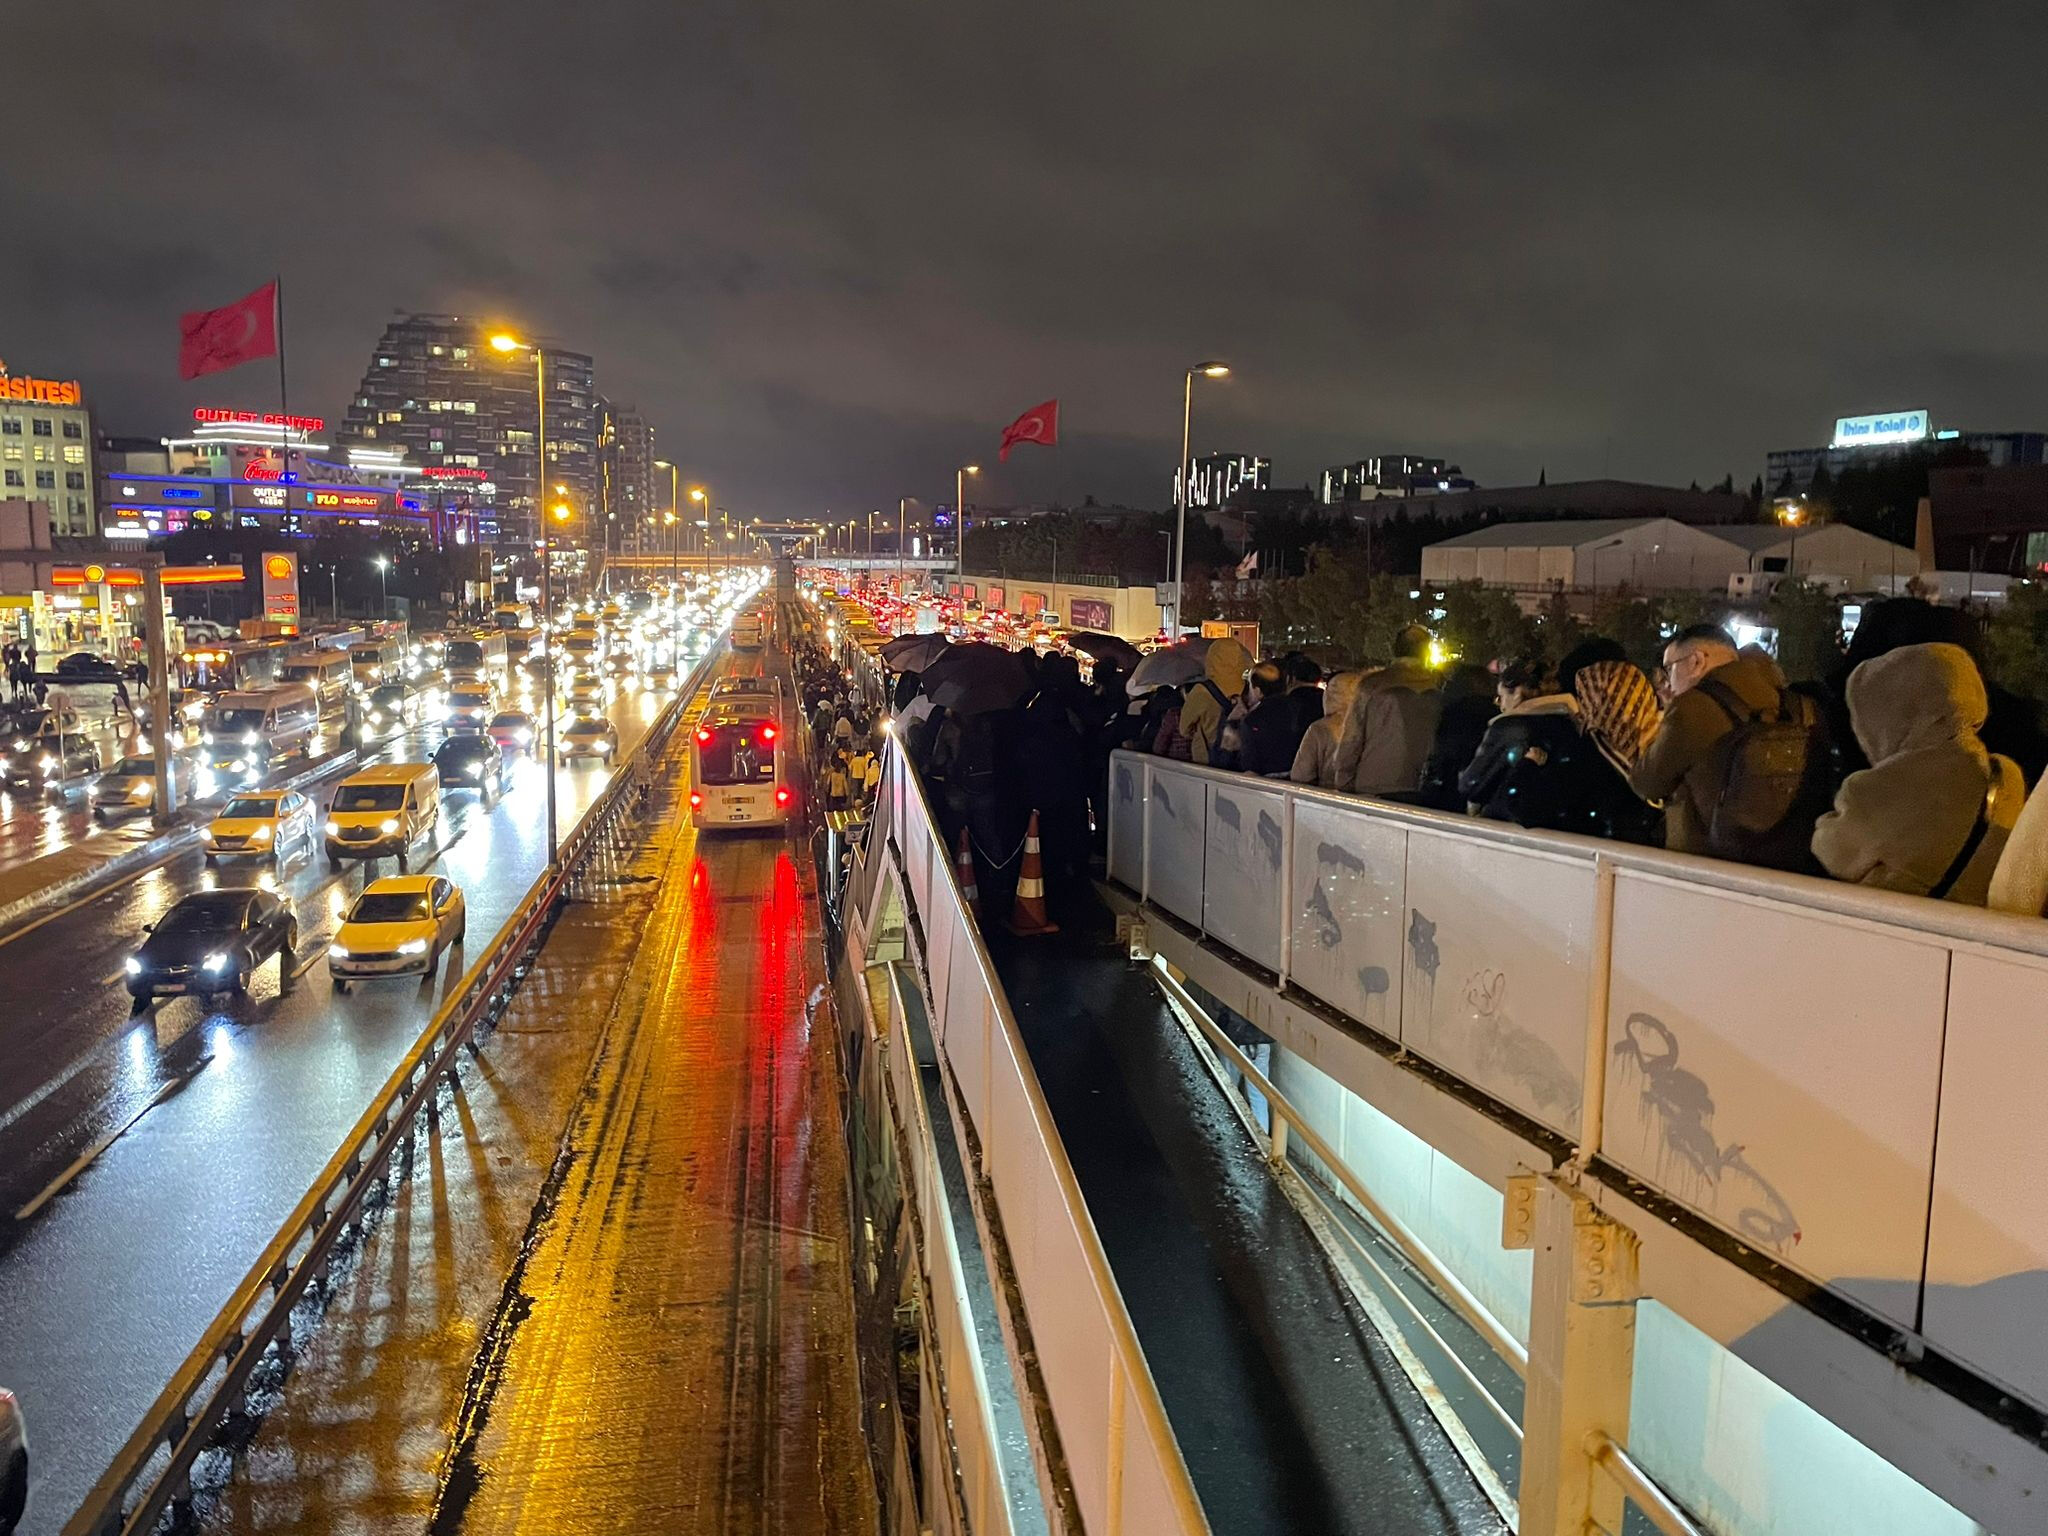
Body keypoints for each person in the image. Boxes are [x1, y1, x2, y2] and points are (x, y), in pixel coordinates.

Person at [1812, 643, 2023, 904]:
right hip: (1983, 931)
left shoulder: (1875, 793)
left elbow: (1832, 852)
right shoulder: (2004, 774)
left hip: (1903, 935)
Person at [1629, 623, 1832, 869]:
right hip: (1792, 864)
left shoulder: (1693, 707)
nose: (1669, 682)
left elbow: (1647, 783)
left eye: (1669, 668)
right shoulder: (1802, 707)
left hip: (1710, 865)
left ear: (1696, 661)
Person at [1332, 624, 1442, 797]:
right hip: (1423, 786)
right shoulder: (1437, 687)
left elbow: (1352, 738)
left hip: (1375, 783)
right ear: (1427, 652)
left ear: (1394, 649)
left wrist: (1343, 780)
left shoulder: (1371, 685)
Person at [1410, 663, 1497, 810]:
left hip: (1450, 784)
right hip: (1483, 786)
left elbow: (1443, 749)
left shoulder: (1452, 712)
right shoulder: (1495, 715)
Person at [1176, 636, 1250, 766]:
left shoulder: (1201, 691)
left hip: (1207, 760)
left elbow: (1184, 729)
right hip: (1241, 759)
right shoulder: (1249, 689)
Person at [1290, 670, 1362, 788]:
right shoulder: (1373, 726)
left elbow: (1301, 775)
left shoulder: (1319, 729)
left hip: (1327, 799)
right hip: (1365, 800)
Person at [1237, 662, 1305, 777]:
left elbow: (1249, 763)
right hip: (1297, 778)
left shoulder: (1253, 719)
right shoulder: (1300, 709)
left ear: (1258, 690)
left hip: (1264, 783)